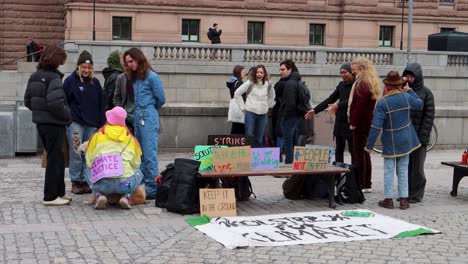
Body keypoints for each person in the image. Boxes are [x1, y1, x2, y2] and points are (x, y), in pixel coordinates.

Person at [365, 71, 423, 210]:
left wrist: (369, 146)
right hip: (406, 140)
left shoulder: (382, 103)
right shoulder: (406, 97)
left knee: (389, 170)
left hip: (390, 140)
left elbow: (376, 126)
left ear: (387, 86)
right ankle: (404, 200)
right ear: (400, 85)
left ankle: (389, 200)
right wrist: (410, 91)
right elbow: (420, 104)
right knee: (403, 170)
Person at [24, 46, 72, 206]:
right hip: (54, 123)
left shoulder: (35, 75)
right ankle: (50, 196)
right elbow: (56, 103)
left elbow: (28, 100)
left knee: (56, 157)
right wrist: (68, 115)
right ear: (56, 60)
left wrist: (40, 112)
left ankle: (59, 193)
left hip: (41, 123)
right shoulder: (54, 78)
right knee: (54, 159)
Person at [123, 47, 166, 200]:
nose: (129, 65)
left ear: (138, 59)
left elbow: (161, 99)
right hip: (138, 114)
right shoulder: (135, 79)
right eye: (127, 62)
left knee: (149, 154)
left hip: (148, 114)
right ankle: (141, 184)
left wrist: (149, 110)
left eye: (131, 61)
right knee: (139, 154)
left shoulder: (152, 77)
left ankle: (152, 187)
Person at [63, 50, 105, 195]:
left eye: (89, 68)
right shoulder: (70, 81)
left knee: (89, 153)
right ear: (78, 67)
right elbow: (64, 101)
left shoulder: (96, 83)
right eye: (83, 67)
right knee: (76, 152)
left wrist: (101, 123)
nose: (86, 70)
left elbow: (101, 103)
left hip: (92, 124)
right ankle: (76, 181)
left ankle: (87, 180)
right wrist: (68, 117)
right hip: (76, 123)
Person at [84, 106, 143, 209]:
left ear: (109, 119)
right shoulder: (130, 138)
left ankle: (99, 195)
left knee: (86, 169)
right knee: (138, 172)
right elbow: (136, 164)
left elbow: (89, 162)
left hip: (103, 184)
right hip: (124, 185)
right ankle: (126, 197)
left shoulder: (97, 136)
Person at [305, 63, 355, 164]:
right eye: (341, 73)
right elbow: (330, 99)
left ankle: (354, 175)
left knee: (353, 151)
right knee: (339, 150)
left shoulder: (357, 85)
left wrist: (338, 105)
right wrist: (315, 110)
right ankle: (338, 173)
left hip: (351, 121)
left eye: (344, 72)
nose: (342, 75)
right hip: (340, 122)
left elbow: (352, 100)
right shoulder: (341, 85)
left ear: (351, 73)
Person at [402, 63, 435, 203]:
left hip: (419, 137)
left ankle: (417, 194)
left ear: (418, 76)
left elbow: (429, 117)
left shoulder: (426, 93)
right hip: (405, 135)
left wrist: (423, 137)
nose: (408, 79)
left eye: (411, 76)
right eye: (407, 76)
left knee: (417, 168)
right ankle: (406, 192)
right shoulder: (402, 90)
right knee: (405, 166)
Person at [348, 57, 382, 192]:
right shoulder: (369, 81)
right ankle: (366, 182)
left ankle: (362, 183)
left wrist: (353, 122)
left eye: (354, 70)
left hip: (361, 122)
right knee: (365, 153)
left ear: (361, 69)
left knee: (359, 153)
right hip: (366, 121)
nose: (353, 72)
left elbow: (360, 106)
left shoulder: (363, 83)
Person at [234, 65, 275, 147]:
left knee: (259, 138)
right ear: (254, 73)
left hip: (263, 114)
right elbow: (237, 93)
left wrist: (267, 105)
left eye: (261, 72)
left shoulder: (268, 84)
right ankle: (248, 156)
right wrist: (243, 107)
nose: (259, 74)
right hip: (250, 113)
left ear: (264, 74)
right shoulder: (249, 83)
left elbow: (272, 96)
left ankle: (256, 158)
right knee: (249, 135)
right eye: (257, 72)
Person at [278, 59, 305, 164]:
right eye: (280, 69)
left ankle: (289, 163)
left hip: (290, 116)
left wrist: (285, 116)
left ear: (290, 69)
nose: (280, 72)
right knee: (294, 140)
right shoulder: (297, 80)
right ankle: (296, 162)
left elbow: (291, 103)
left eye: (283, 69)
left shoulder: (290, 83)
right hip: (297, 115)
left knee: (287, 141)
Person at [226, 65, 246, 134]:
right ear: (239, 72)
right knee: (240, 129)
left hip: (234, 109)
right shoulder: (238, 83)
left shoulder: (232, 82)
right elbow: (239, 96)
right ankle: (238, 144)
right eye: (243, 72)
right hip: (240, 108)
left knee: (235, 127)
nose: (244, 74)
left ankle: (232, 143)